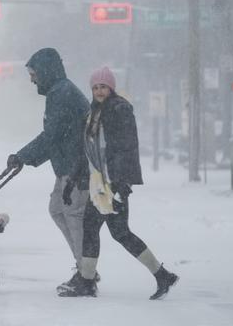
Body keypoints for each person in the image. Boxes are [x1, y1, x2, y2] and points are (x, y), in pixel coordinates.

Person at [58, 66, 179, 300]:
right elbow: (87, 152)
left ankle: (87, 281)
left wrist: (123, 183)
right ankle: (161, 275)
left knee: (106, 230)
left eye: (103, 86)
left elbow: (126, 148)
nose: (99, 91)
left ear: (111, 88)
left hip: (113, 183)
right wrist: (72, 181)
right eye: (95, 87)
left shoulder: (119, 110)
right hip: (100, 183)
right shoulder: (94, 113)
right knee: (110, 231)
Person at [6, 48, 91, 293]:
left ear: (45, 71)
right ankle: (84, 268)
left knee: (73, 214)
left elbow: (52, 135)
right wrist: (25, 158)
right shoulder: (59, 91)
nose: (32, 79)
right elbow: (55, 137)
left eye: (33, 73)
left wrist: (22, 156)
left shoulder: (61, 93)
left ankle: (86, 275)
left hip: (77, 166)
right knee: (58, 210)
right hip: (68, 164)